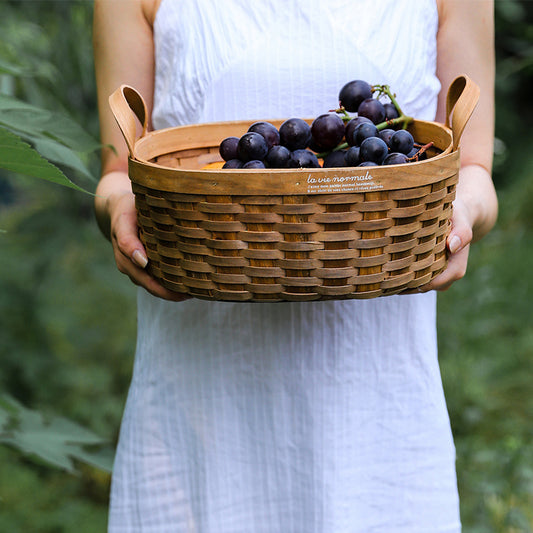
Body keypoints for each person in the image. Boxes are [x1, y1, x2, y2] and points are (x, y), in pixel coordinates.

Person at [93, 0, 498, 531]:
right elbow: (119, 172)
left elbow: (472, 170)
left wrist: (463, 214)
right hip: (195, 406)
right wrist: (119, 210)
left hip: (379, 412)